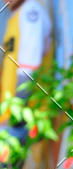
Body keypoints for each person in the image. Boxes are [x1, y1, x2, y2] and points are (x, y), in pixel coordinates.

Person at [0, 0, 53, 145]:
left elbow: (28, 71)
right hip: (11, 118)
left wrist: (14, 119)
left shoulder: (31, 11)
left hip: (25, 119)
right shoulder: (14, 16)